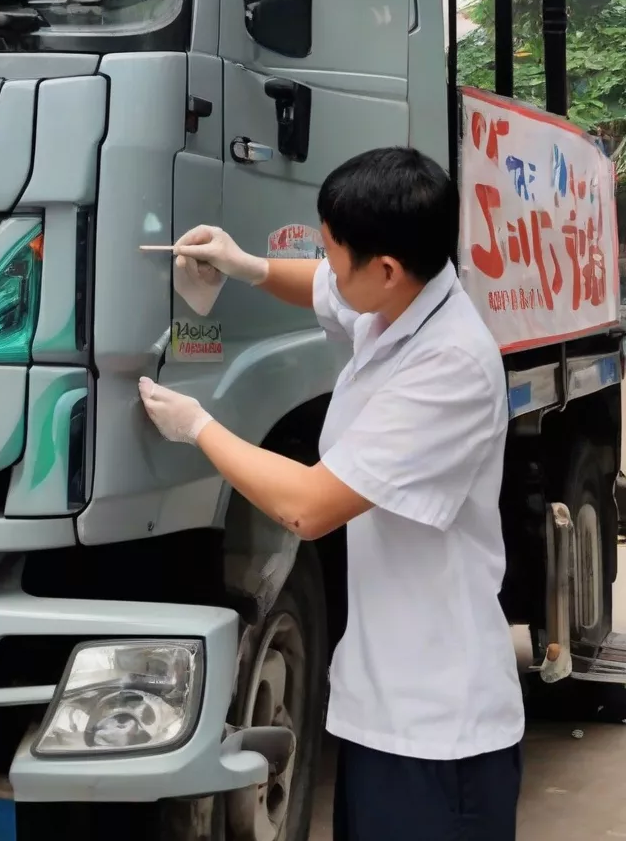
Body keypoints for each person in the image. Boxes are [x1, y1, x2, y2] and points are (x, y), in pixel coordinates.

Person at [138, 146, 523, 840]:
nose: (327, 265)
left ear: (385, 270)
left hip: (440, 733)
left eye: (335, 251)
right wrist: (246, 266)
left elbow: (308, 507)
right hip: (381, 710)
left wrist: (198, 427)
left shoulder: (450, 366)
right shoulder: (399, 301)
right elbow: (321, 285)